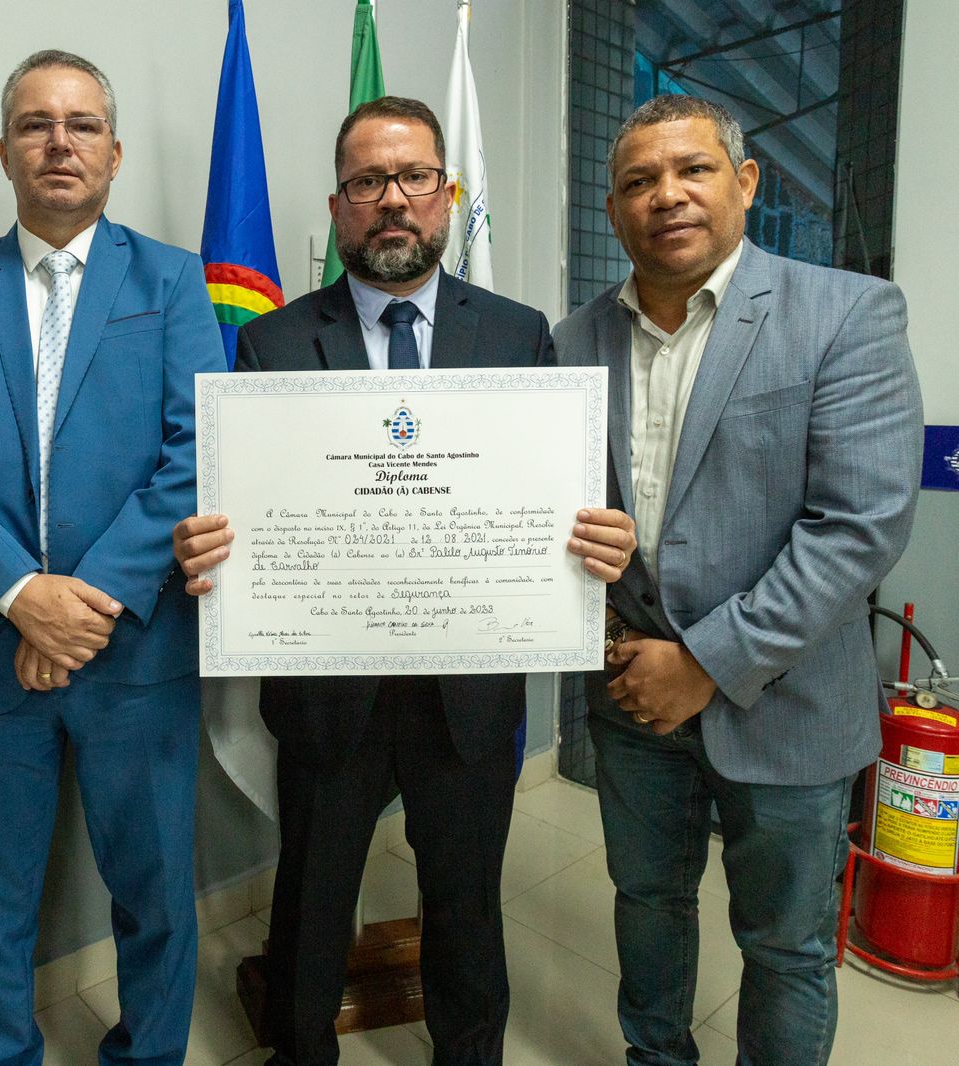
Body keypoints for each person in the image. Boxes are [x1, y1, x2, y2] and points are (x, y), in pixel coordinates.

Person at [172, 96, 637, 1066]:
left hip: (466, 694)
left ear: (447, 195)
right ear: (338, 206)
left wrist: (596, 534)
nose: (392, 200)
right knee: (309, 899)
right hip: (326, 690)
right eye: (367, 182)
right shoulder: (271, 342)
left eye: (413, 178)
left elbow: (559, 492)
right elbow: (248, 509)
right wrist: (211, 549)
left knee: (465, 903)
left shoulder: (517, 334)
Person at [555, 94, 922, 1065]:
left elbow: (857, 526)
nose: (664, 196)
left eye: (692, 170)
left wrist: (705, 663)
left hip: (787, 701)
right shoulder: (569, 341)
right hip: (630, 697)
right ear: (612, 207)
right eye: (637, 180)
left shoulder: (844, 311)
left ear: (745, 182)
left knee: (787, 945)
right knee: (647, 906)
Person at [0, 50, 224, 1066]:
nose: (58, 142)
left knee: (156, 893)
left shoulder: (172, 280)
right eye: (35, 124)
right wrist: (21, 595)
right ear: (4, 150)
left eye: (80, 124)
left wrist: (90, 603)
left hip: (135, 655)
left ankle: (149, 1054)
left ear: (113, 153)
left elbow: (193, 446)